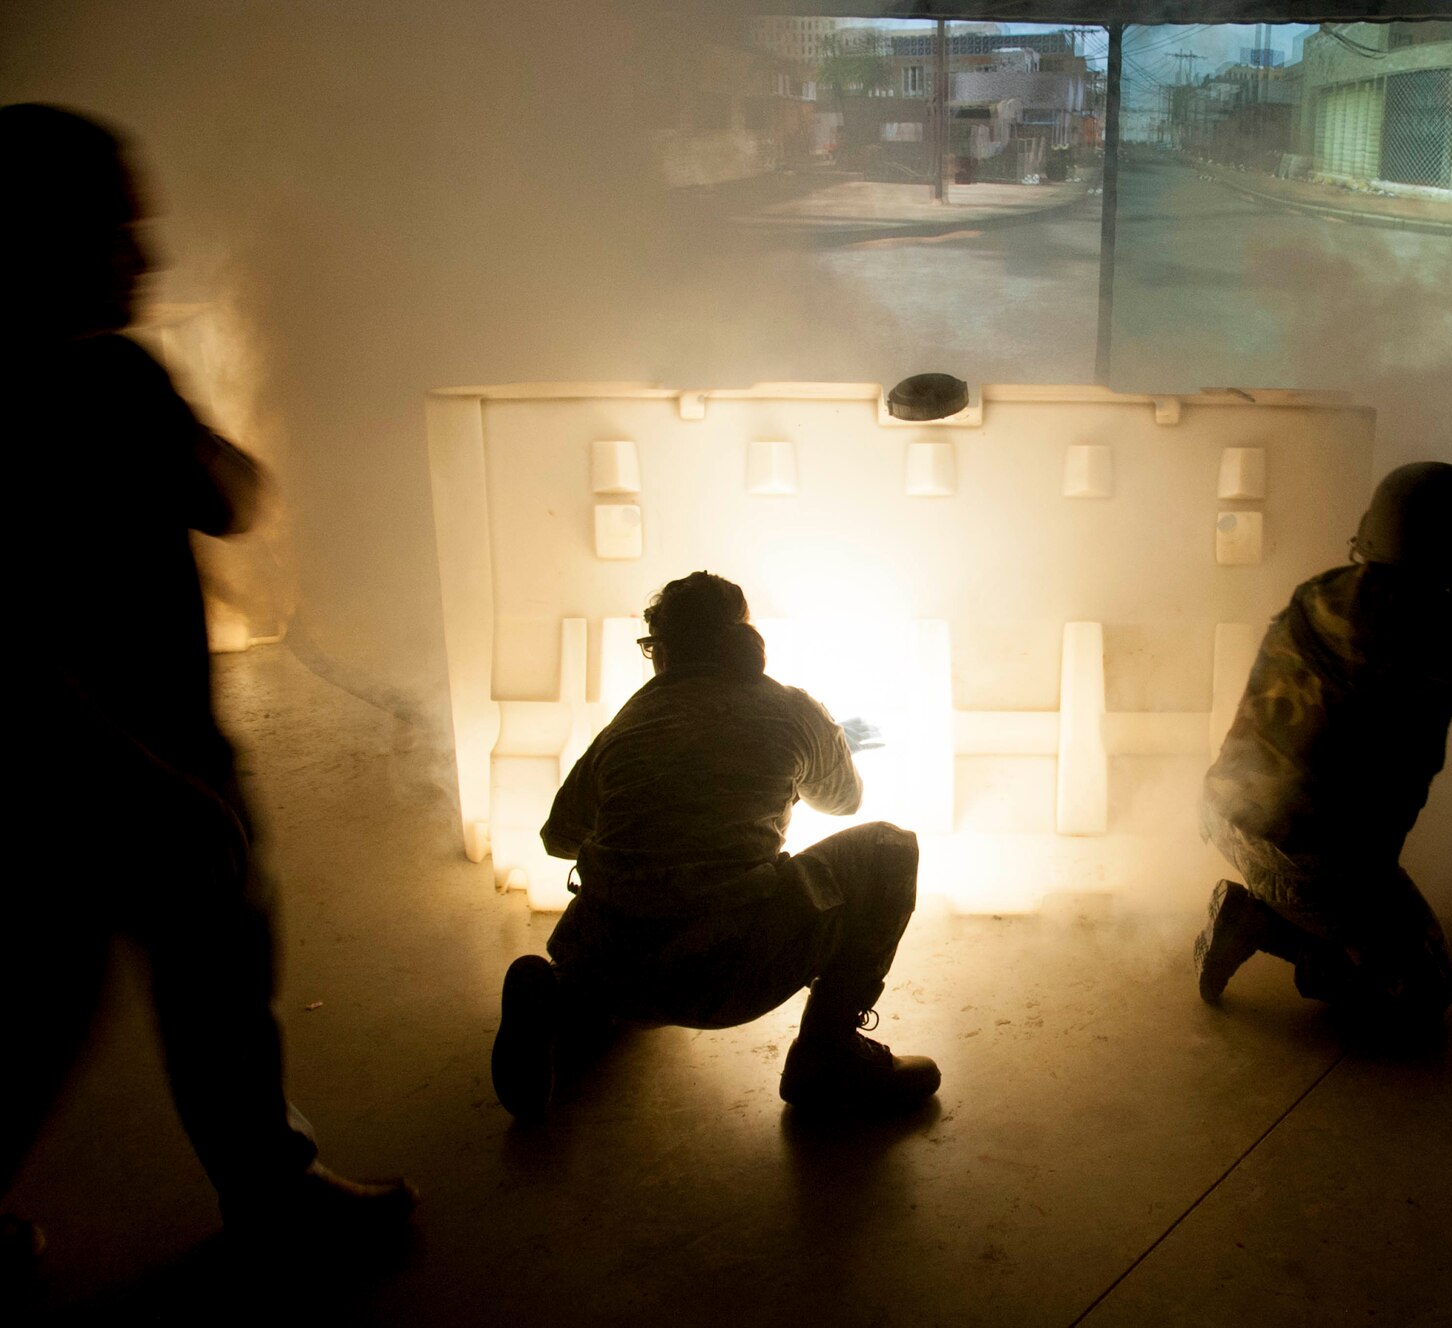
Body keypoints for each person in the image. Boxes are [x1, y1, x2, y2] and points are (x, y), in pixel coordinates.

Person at [0, 103, 416, 1277]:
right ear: (41, 241)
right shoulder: (110, 379)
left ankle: (270, 1187)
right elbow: (231, 495)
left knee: (56, 1006)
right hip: (140, 763)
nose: (147, 258)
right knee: (200, 991)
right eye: (119, 232)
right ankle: (272, 1195)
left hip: (95, 766)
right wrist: (149, 781)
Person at [491, 572, 939, 1119]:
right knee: (890, 848)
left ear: (662, 651)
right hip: (726, 970)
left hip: (607, 959)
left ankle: (558, 1000)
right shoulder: (792, 711)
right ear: (742, 635)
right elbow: (844, 802)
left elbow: (557, 838)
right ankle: (828, 1053)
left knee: (614, 972)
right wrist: (824, 741)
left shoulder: (631, 721)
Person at [1193, 462, 1452, 1037]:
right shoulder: (1434, 640)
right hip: (1309, 861)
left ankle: (1274, 912)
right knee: (1424, 997)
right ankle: (1260, 923)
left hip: (1225, 811)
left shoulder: (1322, 593)